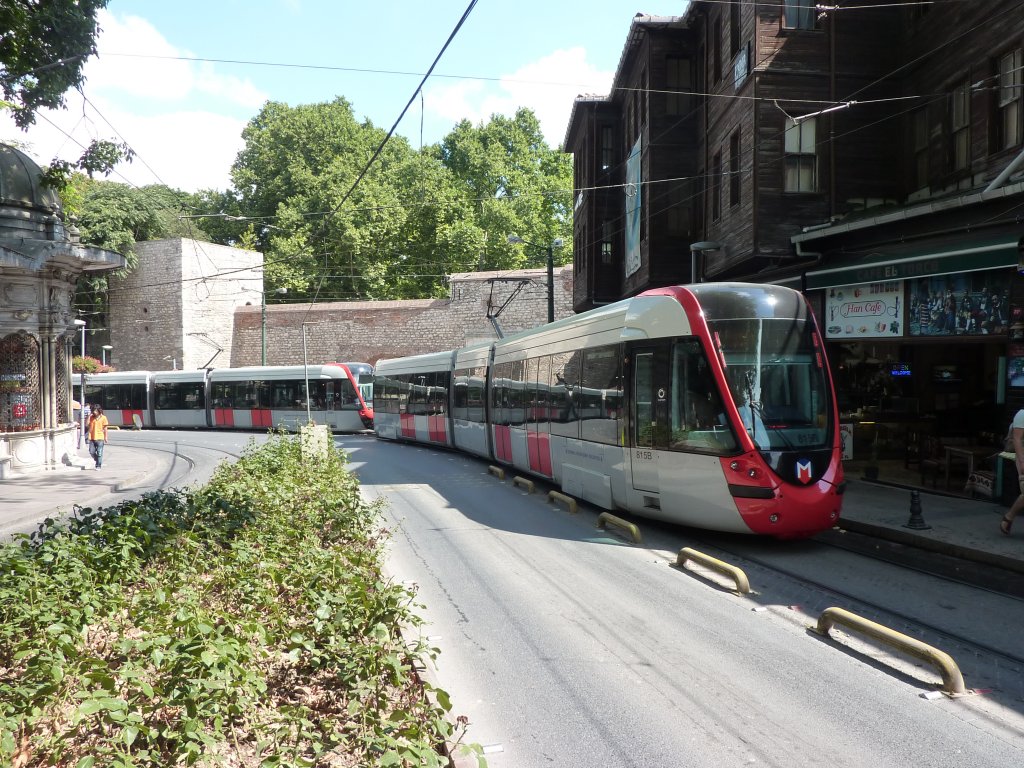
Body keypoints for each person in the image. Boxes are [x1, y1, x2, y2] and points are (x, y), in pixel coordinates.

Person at [1001, 408, 1024, 535]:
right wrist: (1022, 462)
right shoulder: (1022, 414)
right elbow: (1017, 439)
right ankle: (1009, 517)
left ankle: (1008, 517)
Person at [87, 404, 109, 470]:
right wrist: (88, 416)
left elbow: (105, 428)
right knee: (91, 451)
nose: (95, 412)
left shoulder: (103, 418)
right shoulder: (91, 417)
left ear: (99, 410)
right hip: (92, 437)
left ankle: (98, 465)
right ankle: (97, 460)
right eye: (93, 410)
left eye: (96, 411)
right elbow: (87, 424)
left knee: (99, 452)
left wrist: (106, 437)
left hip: (100, 437)